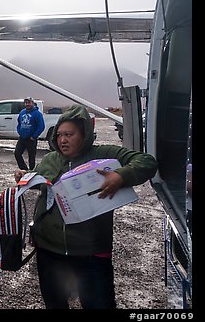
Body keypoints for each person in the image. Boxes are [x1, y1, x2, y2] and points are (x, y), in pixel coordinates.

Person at [14, 104, 157, 309]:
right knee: (55, 304)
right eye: (60, 135)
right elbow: (39, 180)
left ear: (84, 134)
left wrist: (121, 176)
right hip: (49, 250)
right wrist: (25, 177)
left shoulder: (104, 154)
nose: (62, 140)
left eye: (69, 134)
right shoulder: (50, 159)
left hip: (91, 253)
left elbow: (147, 162)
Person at [14, 97, 45, 170]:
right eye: (26, 103)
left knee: (31, 156)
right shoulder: (22, 112)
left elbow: (41, 126)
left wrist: (34, 136)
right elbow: (19, 123)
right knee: (17, 153)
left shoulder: (37, 114)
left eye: (29, 102)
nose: (27, 104)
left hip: (31, 139)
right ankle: (24, 169)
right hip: (22, 137)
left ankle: (31, 171)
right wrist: (19, 131)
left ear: (33, 103)